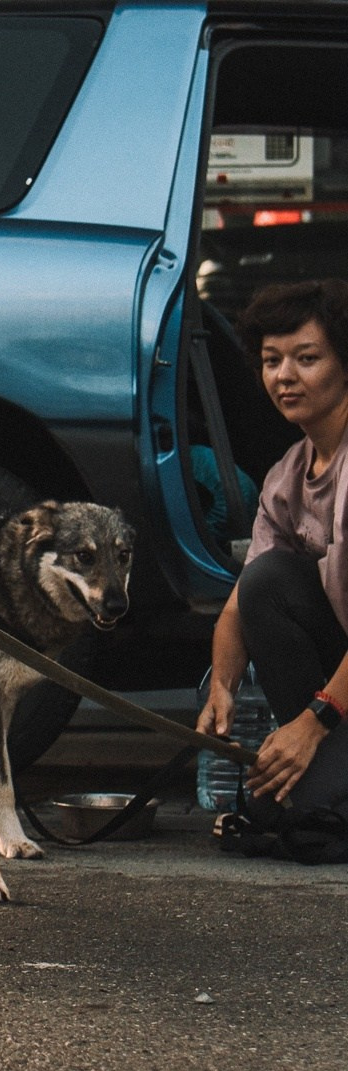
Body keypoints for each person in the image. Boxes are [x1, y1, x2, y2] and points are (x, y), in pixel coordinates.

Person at [196, 279, 348, 823]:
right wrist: (222, 688)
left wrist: (313, 724)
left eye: (306, 358)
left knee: (303, 822)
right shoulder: (289, 473)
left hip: (335, 706)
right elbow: (240, 604)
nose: (284, 376)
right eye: (271, 360)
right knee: (267, 582)